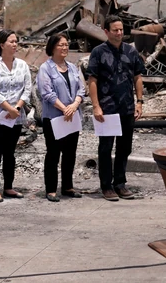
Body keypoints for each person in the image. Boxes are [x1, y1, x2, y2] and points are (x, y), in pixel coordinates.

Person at [87, 15, 146, 202]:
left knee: (124, 147)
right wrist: (96, 106)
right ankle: (106, 186)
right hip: (107, 109)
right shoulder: (98, 52)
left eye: (121, 30)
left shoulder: (131, 51)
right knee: (106, 148)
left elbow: (138, 77)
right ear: (106, 31)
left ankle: (120, 183)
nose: (119, 33)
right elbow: (92, 80)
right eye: (115, 30)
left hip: (127, 107)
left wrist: (139, 101)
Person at [0, 29, 33, 202]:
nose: (15, 44)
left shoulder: (22, 65)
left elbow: (27, 88)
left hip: (15, 117)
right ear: (2, 44)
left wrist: (17, 108)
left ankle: (9, 186)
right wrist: (8, 108)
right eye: (11, 41)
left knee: (10, 153)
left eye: (16, 41)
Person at [36, 33, 86, 202]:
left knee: (70, 153)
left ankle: (67, 186)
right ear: (52, 47)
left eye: (66, 45)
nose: (65, 48)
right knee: (53, 153)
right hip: (54, 117)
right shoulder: (45, 68)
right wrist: (64, 108)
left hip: (72, 116)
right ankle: (51, 189)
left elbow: (81, 88)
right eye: (61, 45)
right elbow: (46, 93)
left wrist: (74, 105)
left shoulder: (72, 67)